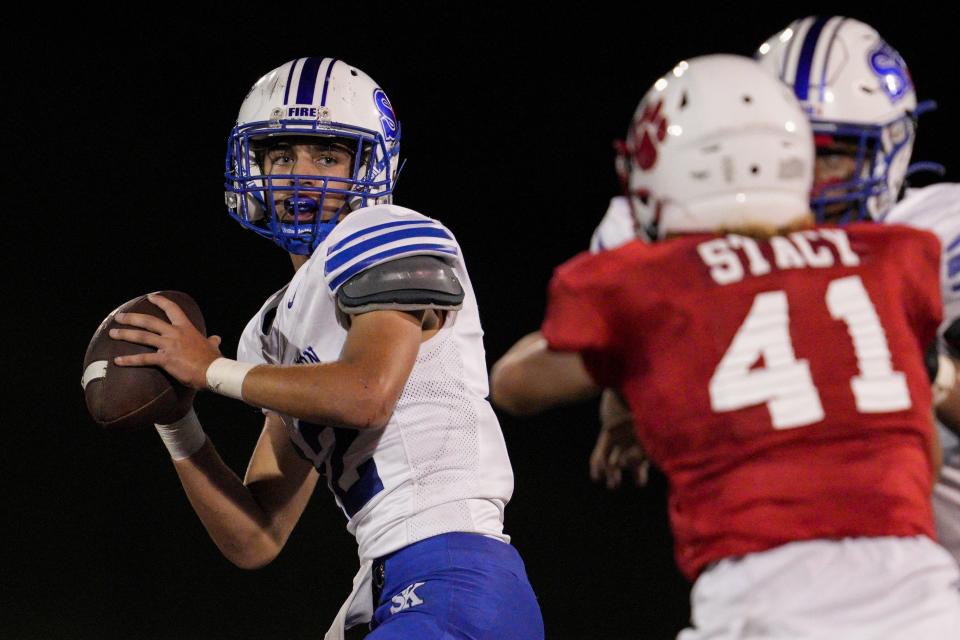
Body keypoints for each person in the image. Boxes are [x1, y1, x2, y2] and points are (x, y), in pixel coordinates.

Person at [491, 54, 960, 637]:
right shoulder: (886, 259)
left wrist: (628, 363)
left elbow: (513, 385)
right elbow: (926, 459)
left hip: (767, 604)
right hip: (925, 601)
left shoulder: (655, 281)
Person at [109, 57, 543, 640]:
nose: (300, 175)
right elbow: (256, 536)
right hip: (381, 583)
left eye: (327, 156)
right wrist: (177, 418)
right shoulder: (268, 334)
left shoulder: (385, 231)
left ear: (367, 167)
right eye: (282, 155)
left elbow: (367, 395)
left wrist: (210, 368)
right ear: (255, 167)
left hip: (451, 570)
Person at [755, 14, 960, 566]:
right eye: (784, 150)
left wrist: (927, 363)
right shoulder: (733, 248)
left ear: (889, 150)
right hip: (825, 578)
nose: (804, 177)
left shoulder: (940, 234)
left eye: (829, 153)